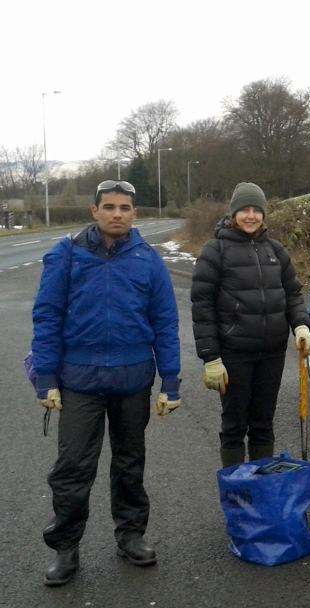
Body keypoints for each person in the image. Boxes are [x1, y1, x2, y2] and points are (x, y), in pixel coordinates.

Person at [31, 179, 181, 586]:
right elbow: (47, 317)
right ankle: (66, 548)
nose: (118, 213)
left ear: (135, 214)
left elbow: (166, 323)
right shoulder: (67, 254)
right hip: (79, 380)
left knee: (130, 462)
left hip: (133, 379)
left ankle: (130, 535)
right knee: (73, 466)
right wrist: (45, 377)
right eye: (110, 206)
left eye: (126, 207)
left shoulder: (148, 260)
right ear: (94, 211)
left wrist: (171, 381)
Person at [191, 182, 310, 467]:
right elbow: (202, 307)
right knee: (234, 424)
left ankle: (261, 489)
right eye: (244, 210)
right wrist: (211, 357)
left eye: (256, 210)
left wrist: (302, 326)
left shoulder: (276, 251)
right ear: (233, 213)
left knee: (263, 423)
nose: (250, 216)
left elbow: (293, 294)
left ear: (263, 214)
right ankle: (236, 492)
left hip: (272, 353)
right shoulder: (215, 251)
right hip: (234, 354)